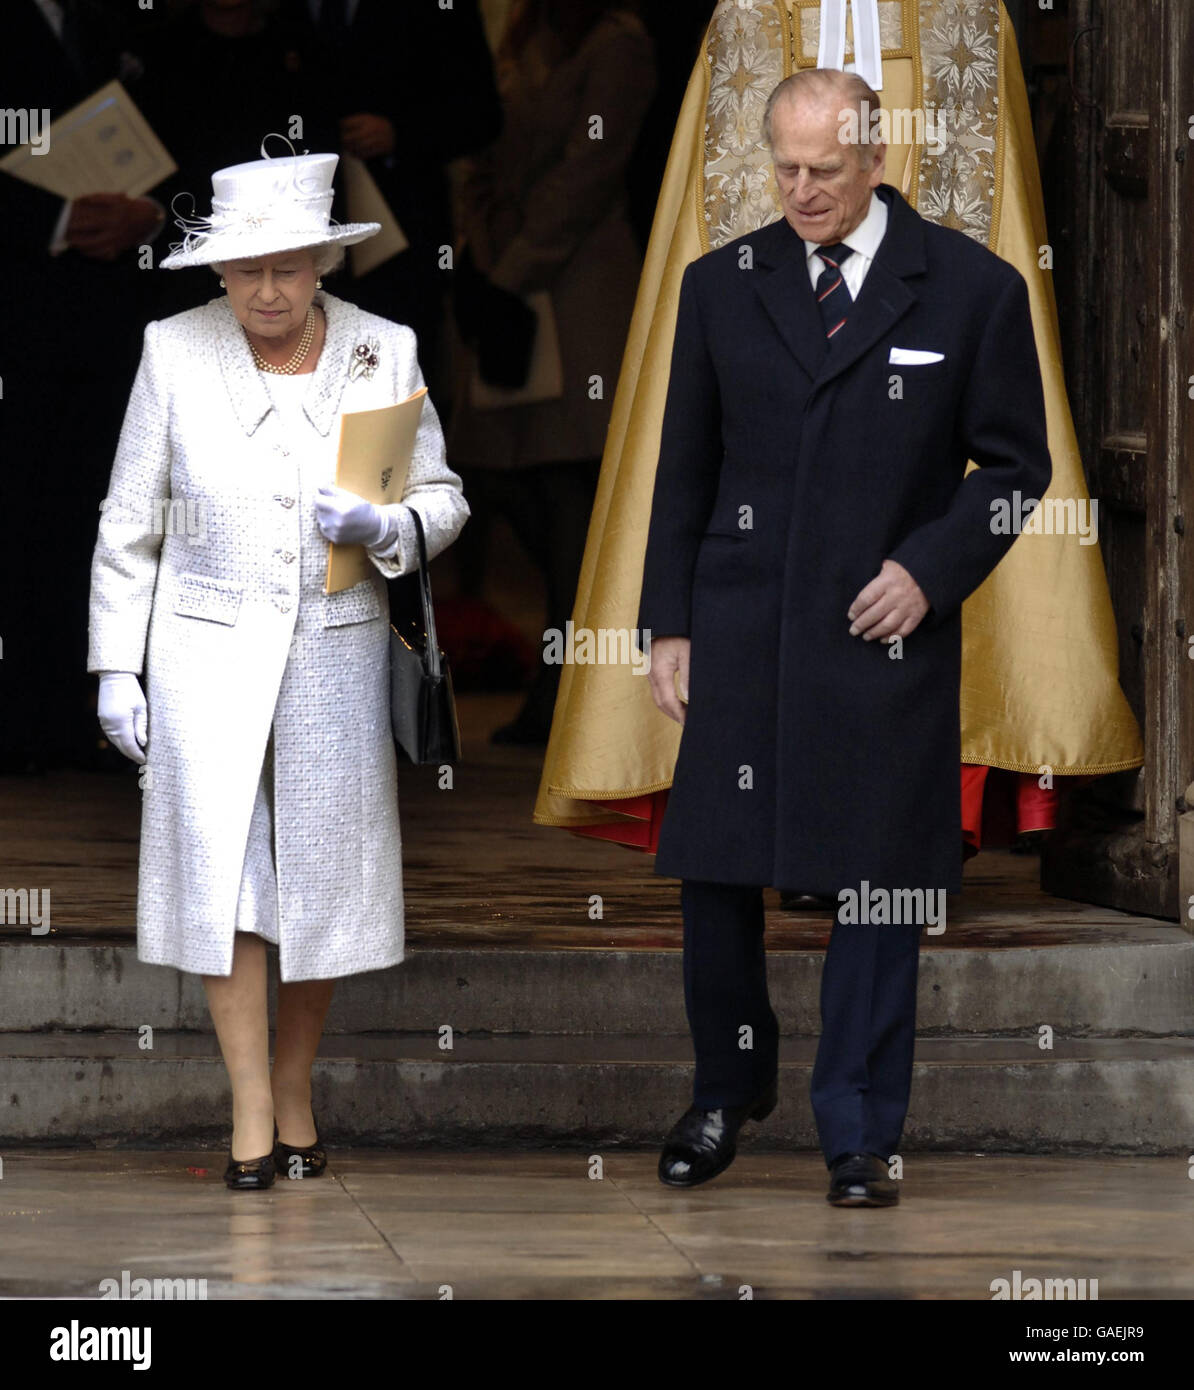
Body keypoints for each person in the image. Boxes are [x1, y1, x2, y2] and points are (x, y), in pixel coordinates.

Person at [636, 69, 1051, 1205]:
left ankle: (861, 1131)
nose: (802, 190)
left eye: (824, 169)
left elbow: (1020, 474)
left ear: (877, 158)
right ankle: (725, 1091)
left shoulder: (971, 288)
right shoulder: (722, 286)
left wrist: (931, 570)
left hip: (883, 636)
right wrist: (669, 621)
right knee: (717, 870)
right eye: (785, 168)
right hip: (743, 621)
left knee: (883, 885)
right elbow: (685, 468)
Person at [87, 145, 469, 1189]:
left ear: (322, 265)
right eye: (248, 270)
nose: (267, 290)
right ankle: (252, 1110)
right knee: (225, 880)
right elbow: (130, 524)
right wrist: (116, 667)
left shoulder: (383, 351)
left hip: (334, 655)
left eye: (289, 268)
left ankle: (295, 1088)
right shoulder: (173, 350)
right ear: (217, 270)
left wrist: (387, 522)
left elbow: (444, 495)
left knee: (320, 886)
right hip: (202, 651)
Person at [449, 0, 656, 744]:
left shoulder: (617, 45)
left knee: (569, 487)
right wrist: (482, 244)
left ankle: (571, 686)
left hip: (578, 286)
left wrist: (513, 266)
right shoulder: (521, 36)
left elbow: (590, 171)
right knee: (500, 478)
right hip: (507, 278)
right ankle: (568, 672)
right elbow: (478, 149)